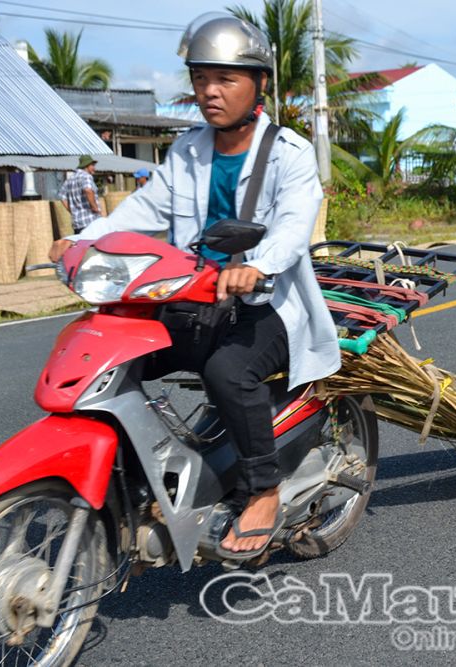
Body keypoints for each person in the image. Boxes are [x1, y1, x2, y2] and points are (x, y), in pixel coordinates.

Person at [48, 14, 340, 559]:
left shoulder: (290, 153)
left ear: (259, 84)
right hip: (191, 299)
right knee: (110, 358)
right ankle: (134, 478)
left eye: (226, 79)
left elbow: (292, 230)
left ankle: (263, 489)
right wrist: (82, 239)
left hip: (265, 305)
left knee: (226, 372)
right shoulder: (186, 150)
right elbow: (141, 209)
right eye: (201, 78)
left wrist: (258, 265)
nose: (210, 91)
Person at [58, 154, 102, 233]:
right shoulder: (86, 176)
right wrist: (94, 207)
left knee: (81, 244)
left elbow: (62, 196)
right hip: (90, 221)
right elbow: (88, 190)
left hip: (77, 223)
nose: (94, 168)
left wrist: (71, 211)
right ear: (86, 166)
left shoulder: (70, 179)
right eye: (92, 165)